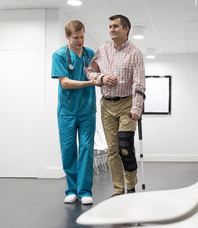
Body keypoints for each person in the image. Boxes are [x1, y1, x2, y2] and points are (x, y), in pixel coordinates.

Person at [85, 14, 146, 197]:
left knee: (125, 147)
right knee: (112, 150)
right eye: (110, 26)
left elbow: (139, 83)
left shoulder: (135, 53)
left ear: (126, 29)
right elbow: (89, 71)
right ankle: (118, 190)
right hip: (107, 105)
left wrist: (136, 108)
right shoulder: (102, 50)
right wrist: (101, 78)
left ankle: (131, 185)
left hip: (127, 104)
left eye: (116, 26)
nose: (112, 29)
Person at [51, 20, 99, 205]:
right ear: (67, 36)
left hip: (87, 110)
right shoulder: (60, 55)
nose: (80, 41)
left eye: (82, 37)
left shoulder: (90, 54)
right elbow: (65, 82)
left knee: (87, 149)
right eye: (76, 37)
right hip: (67, 111)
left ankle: (85, 191)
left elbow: (98, 74)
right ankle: (71, 189)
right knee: (69, 150)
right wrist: (90, 83)